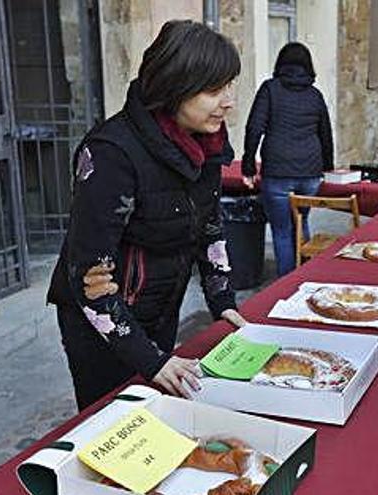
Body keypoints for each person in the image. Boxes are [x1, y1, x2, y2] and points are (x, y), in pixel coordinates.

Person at [47, 20, 248, 411]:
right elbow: (89, 275)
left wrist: (222, 299)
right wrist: (152, 360)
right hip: (101, 325)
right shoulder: (111, 154)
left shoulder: (205, 144)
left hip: (159, 307)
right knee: (115, 426)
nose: (228, 102)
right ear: (174, 86)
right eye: (213, 90)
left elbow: (210, 227)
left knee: (158, 414)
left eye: (229, 86)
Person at [241, 42, 334, 276]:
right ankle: (306, 277)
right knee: (301, 223)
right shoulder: (315, 95)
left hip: (277, 173)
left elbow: (254, 128)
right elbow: (325, 133)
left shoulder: (270, 89)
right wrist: (328, 166)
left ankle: (286, 283)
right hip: (310, 173)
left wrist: (248, 164)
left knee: (282, 231)